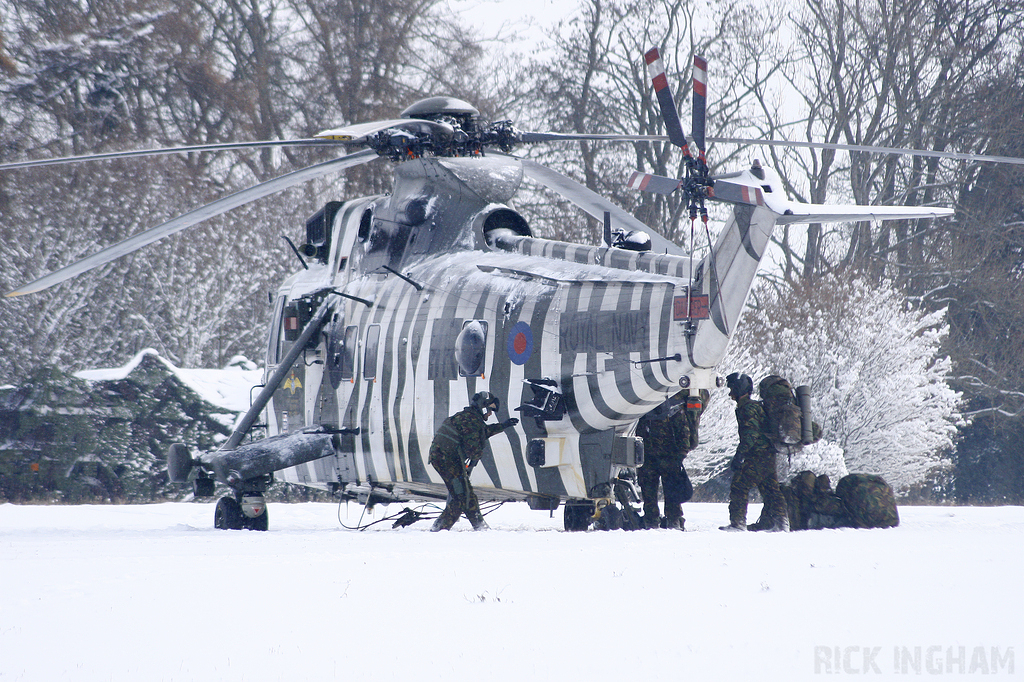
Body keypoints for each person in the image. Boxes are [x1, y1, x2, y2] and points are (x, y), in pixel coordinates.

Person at [428, 391, 518, 531]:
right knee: (461, 497)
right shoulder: (472, 421)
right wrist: (475, 458)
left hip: (445, 459)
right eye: (490, 410)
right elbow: (474, 447)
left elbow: (481, 432)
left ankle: (479, 526)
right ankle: (439, 528)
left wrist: (503, 425)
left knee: (466, 494)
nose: (490, 414)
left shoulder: (468, 418)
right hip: (448, 461)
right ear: (483, 407)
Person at [720, 372, 789, 532]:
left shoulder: (748, 408)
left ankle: (738, 523)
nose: (730, 393)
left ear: (738, 389)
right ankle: (782, 523)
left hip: (756, 455)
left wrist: (740, 455)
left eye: (732, 389)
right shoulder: (755, 406)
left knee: (739, 485)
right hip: (768, 455)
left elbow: (750, 435)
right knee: (770, 489)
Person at [635, 390, 706, 530]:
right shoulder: (673, 412)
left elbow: (684, 437)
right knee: (661, 491)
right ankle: (666, 520)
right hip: (661, 459)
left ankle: (659, 520)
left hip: (656, 459)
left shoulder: (645, 413)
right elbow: (685, 437)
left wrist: (679, 457)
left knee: (656, 491)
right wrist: (679, 456)